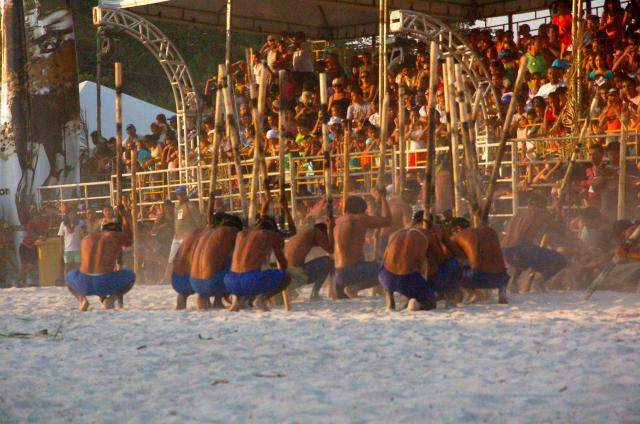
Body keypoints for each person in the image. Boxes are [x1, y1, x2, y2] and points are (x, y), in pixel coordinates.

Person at [66, 205, 135, 311]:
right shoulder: (114, 235)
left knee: (69, 275)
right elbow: (130, 238)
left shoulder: (87, 238)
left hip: (83, 283)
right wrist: (124, 216)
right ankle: (110, 300)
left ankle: (82, 299)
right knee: (131, 276)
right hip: (103, 282)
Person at [224, 213, 290, 312]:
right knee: (286, 276)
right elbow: (283, 264)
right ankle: (261, 300)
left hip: (230, 282)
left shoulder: (241, 234)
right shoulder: (270, 234)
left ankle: (237, 299)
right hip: (250, 281)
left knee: (249, 277)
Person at [501, 193, 566, 293]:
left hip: (506, 252)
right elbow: (559, 228)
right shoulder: (540, 214)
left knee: (526, 253)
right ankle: (539, 282)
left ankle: (514, 282)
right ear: (542, 205)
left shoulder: (519, 213)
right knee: (561, 260)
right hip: (521, 250)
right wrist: (558, 213)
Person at [334, 188, 391, 298]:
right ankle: (355, 288)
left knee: (376, 264)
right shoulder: (358, 219)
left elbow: (375, 218)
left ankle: (350, 288)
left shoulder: (337, 221)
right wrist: (382, 198)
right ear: (360, 209)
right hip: (353, 272)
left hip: (338, 275)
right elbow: (388, 220)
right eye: (364, 211)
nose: (365, 213)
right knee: (388, 267)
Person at [378, 214, 441, 311]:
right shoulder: (427, 234)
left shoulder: (395, 234)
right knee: (430, 303)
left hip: (386, 277)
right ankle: (415, 302)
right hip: (408, 279)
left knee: (385, 263)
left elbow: (385, 256)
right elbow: (439, 258)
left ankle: (390, 296)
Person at [189, 213, 244, 310]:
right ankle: (231, 297)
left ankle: (210, 298)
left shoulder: (206, 233)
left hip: (194, 283)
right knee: (236, 262)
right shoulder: (232, 231)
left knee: (218, 261)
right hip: (211, 282)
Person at [449, 218, 509, 304]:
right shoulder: (491, 232)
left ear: (458, 228)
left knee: (453, 269)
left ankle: (470, 292)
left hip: (477, 278)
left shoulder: (459, 236)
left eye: (453, 231)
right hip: (502, 278)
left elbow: (453, 256)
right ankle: (502, 292)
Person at [284, 220, 335, 300]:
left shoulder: (303, 235)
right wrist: (331, 229)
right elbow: (331, 250)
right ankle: (320, 293)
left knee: (324, 262)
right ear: (322, 232)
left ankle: (290, 289)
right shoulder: (316, 231)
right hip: (298, 274)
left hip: (289, 274)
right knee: (329, 261)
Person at [164, 186, 203, 283]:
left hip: (187, 237)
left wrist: (197, 235)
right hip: (177, 237)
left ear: (185, 194)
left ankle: (191, 278)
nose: (180, 196)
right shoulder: (177, 206)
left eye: (181, 194)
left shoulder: (191, 206)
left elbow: (198, 222)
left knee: (188, 259)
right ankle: (166, 278)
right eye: (178, 194)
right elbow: (176, 221)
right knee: (171, 258)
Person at [378, 179, 420, 257]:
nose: (417, 198)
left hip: (379, 240)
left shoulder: (392, 201)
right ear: (409, 194)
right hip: (389, 241)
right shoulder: (405, 206)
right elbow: (407, 228)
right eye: (417, 195)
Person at [170, 227, 206, 310]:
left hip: (177, 280)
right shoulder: (203, 239)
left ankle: (181, 300)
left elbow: (173, 260)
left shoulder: (185, 240)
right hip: (195, 280)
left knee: (182, 295)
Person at [57, 208, 86, 285]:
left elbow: (83, 235)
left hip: (78, 248)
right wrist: (61, 248)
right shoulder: (63, 223)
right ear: (68, 215)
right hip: (67, 249)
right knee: (67, 266)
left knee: (78, 266)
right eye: (71, 214)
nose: (72, 215)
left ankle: (78, 281)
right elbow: (61, 237)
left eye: (74, 213)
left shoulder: (80, 223)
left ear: (76, 214)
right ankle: (67, 282)